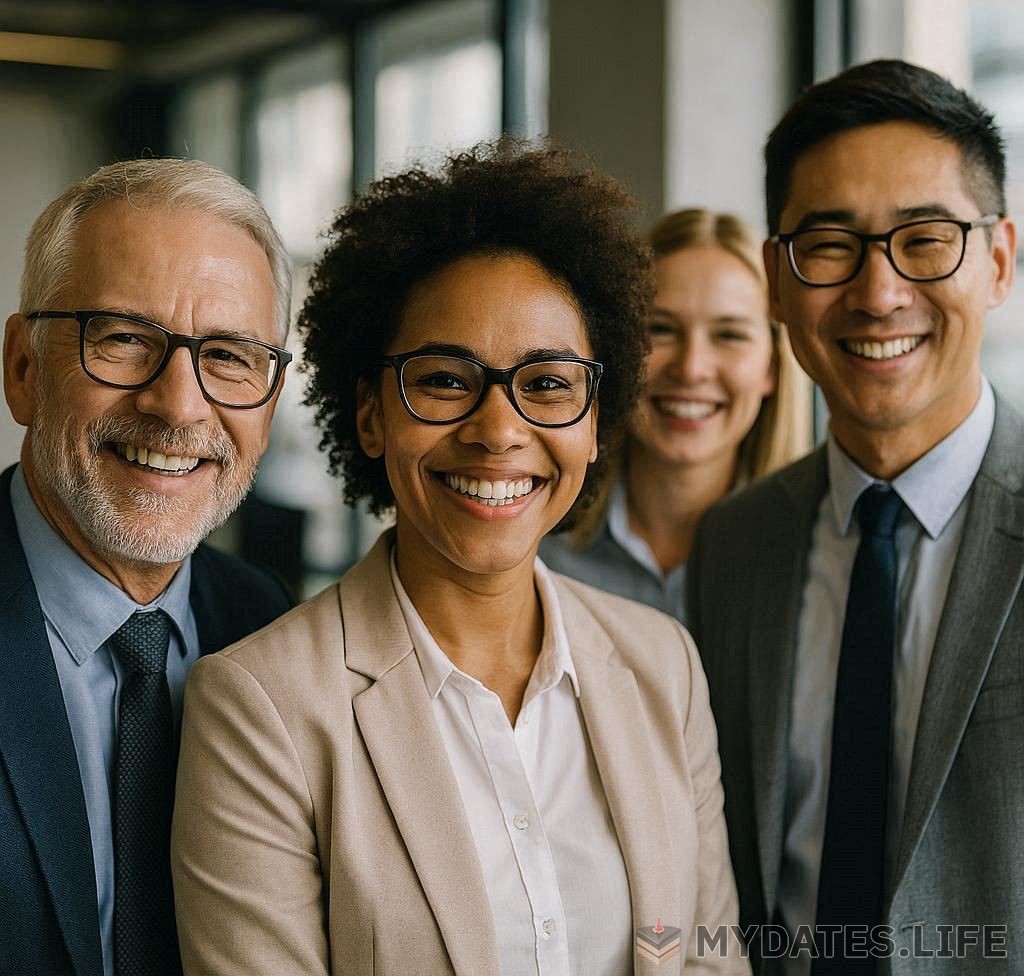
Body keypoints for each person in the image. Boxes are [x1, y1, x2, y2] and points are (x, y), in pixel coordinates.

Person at [172, 141, 748, 975]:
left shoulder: (664, 666)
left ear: (595, 418)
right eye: (445, 379)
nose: (499, 429)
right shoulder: (262, 708)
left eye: (547, 384)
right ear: (370, 415)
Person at [688, 59, 1021, 974]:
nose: (878, 293)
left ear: (998, 260)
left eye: (925, 239)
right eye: (830, 245)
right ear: (777, 280)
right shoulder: (735, 542)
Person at [0, 159, 295, 976]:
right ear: (22, 367)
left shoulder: (272, 625)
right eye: (125, 339)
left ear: (269, 406)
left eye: (231, 356)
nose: (178, 404)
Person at [541, 208, 809, 623]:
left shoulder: (814, 555)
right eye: (661, 329)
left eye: (729, 335)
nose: (691, 367)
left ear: (772, 368)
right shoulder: (540, 539)